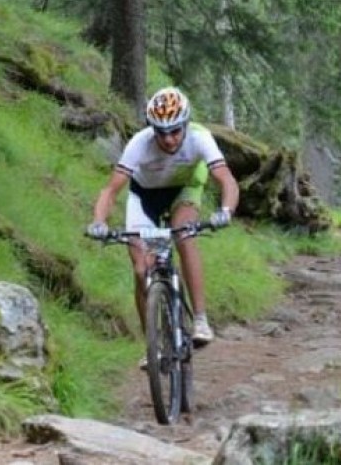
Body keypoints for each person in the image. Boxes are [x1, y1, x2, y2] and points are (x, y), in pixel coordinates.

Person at [87, 86, 239, 366]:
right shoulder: (139, 143)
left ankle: (201, 320)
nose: (168, 139)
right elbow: (110, 191)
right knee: (142, 268)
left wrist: (225, 211)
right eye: (161, 132)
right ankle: (153, 345)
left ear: (185, 125)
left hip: (183, 191)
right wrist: (98, 222)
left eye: (175, 131)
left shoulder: (200, 137)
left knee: (183, 235)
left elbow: (226, 180)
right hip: (145, 198)